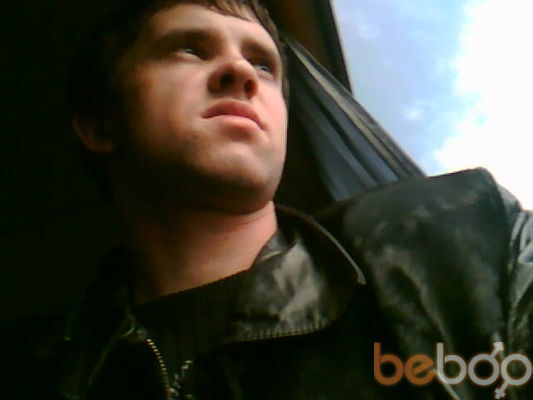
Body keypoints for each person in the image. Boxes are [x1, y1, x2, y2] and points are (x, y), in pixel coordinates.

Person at [3, 0, 532, 399]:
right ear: (100, 125)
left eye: (263, 64)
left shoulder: (467, 238)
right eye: (189, 48)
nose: (240, 73)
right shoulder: (30, 373)